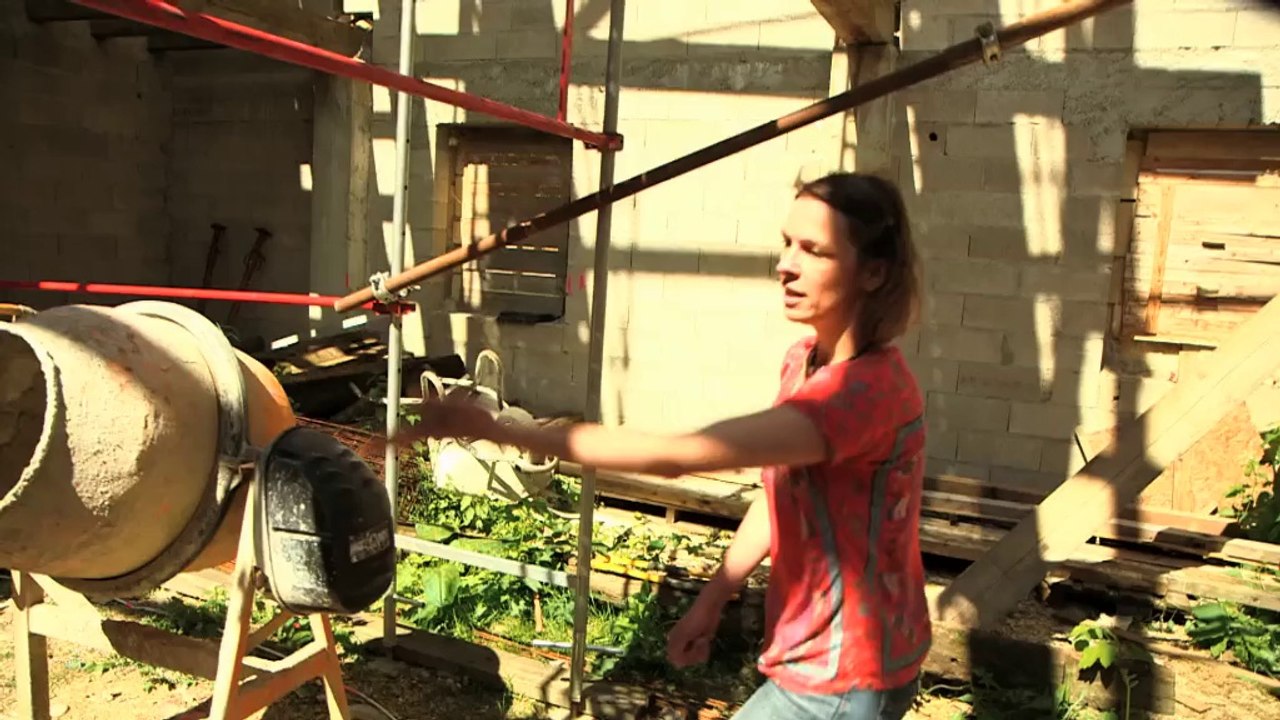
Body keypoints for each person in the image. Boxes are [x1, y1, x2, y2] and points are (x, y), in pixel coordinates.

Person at [392, 172, 931, 720]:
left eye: (813, 251)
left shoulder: (865, 394)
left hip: (846, 675)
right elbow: (779, 494)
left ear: (874, 273)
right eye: (786, 242)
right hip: (816, 657)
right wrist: (713, 597)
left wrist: (502, 429)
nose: (785, 264)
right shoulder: (804, 360)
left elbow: (677, 456)